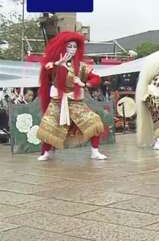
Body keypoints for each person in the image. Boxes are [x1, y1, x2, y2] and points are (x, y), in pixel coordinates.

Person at [36, 32, 107, 161]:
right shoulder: (52, 64)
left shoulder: (82, 66)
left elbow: (96, 79)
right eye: (69, 46)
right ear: (63, 47)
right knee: (48, 126)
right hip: (57, 102)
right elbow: (47, 72)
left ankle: (95, 151)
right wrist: (58, 63)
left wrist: (83, 83)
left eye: (74, 47)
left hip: (76, 102)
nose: (72, 50)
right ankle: (47, 152)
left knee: (94, 122)